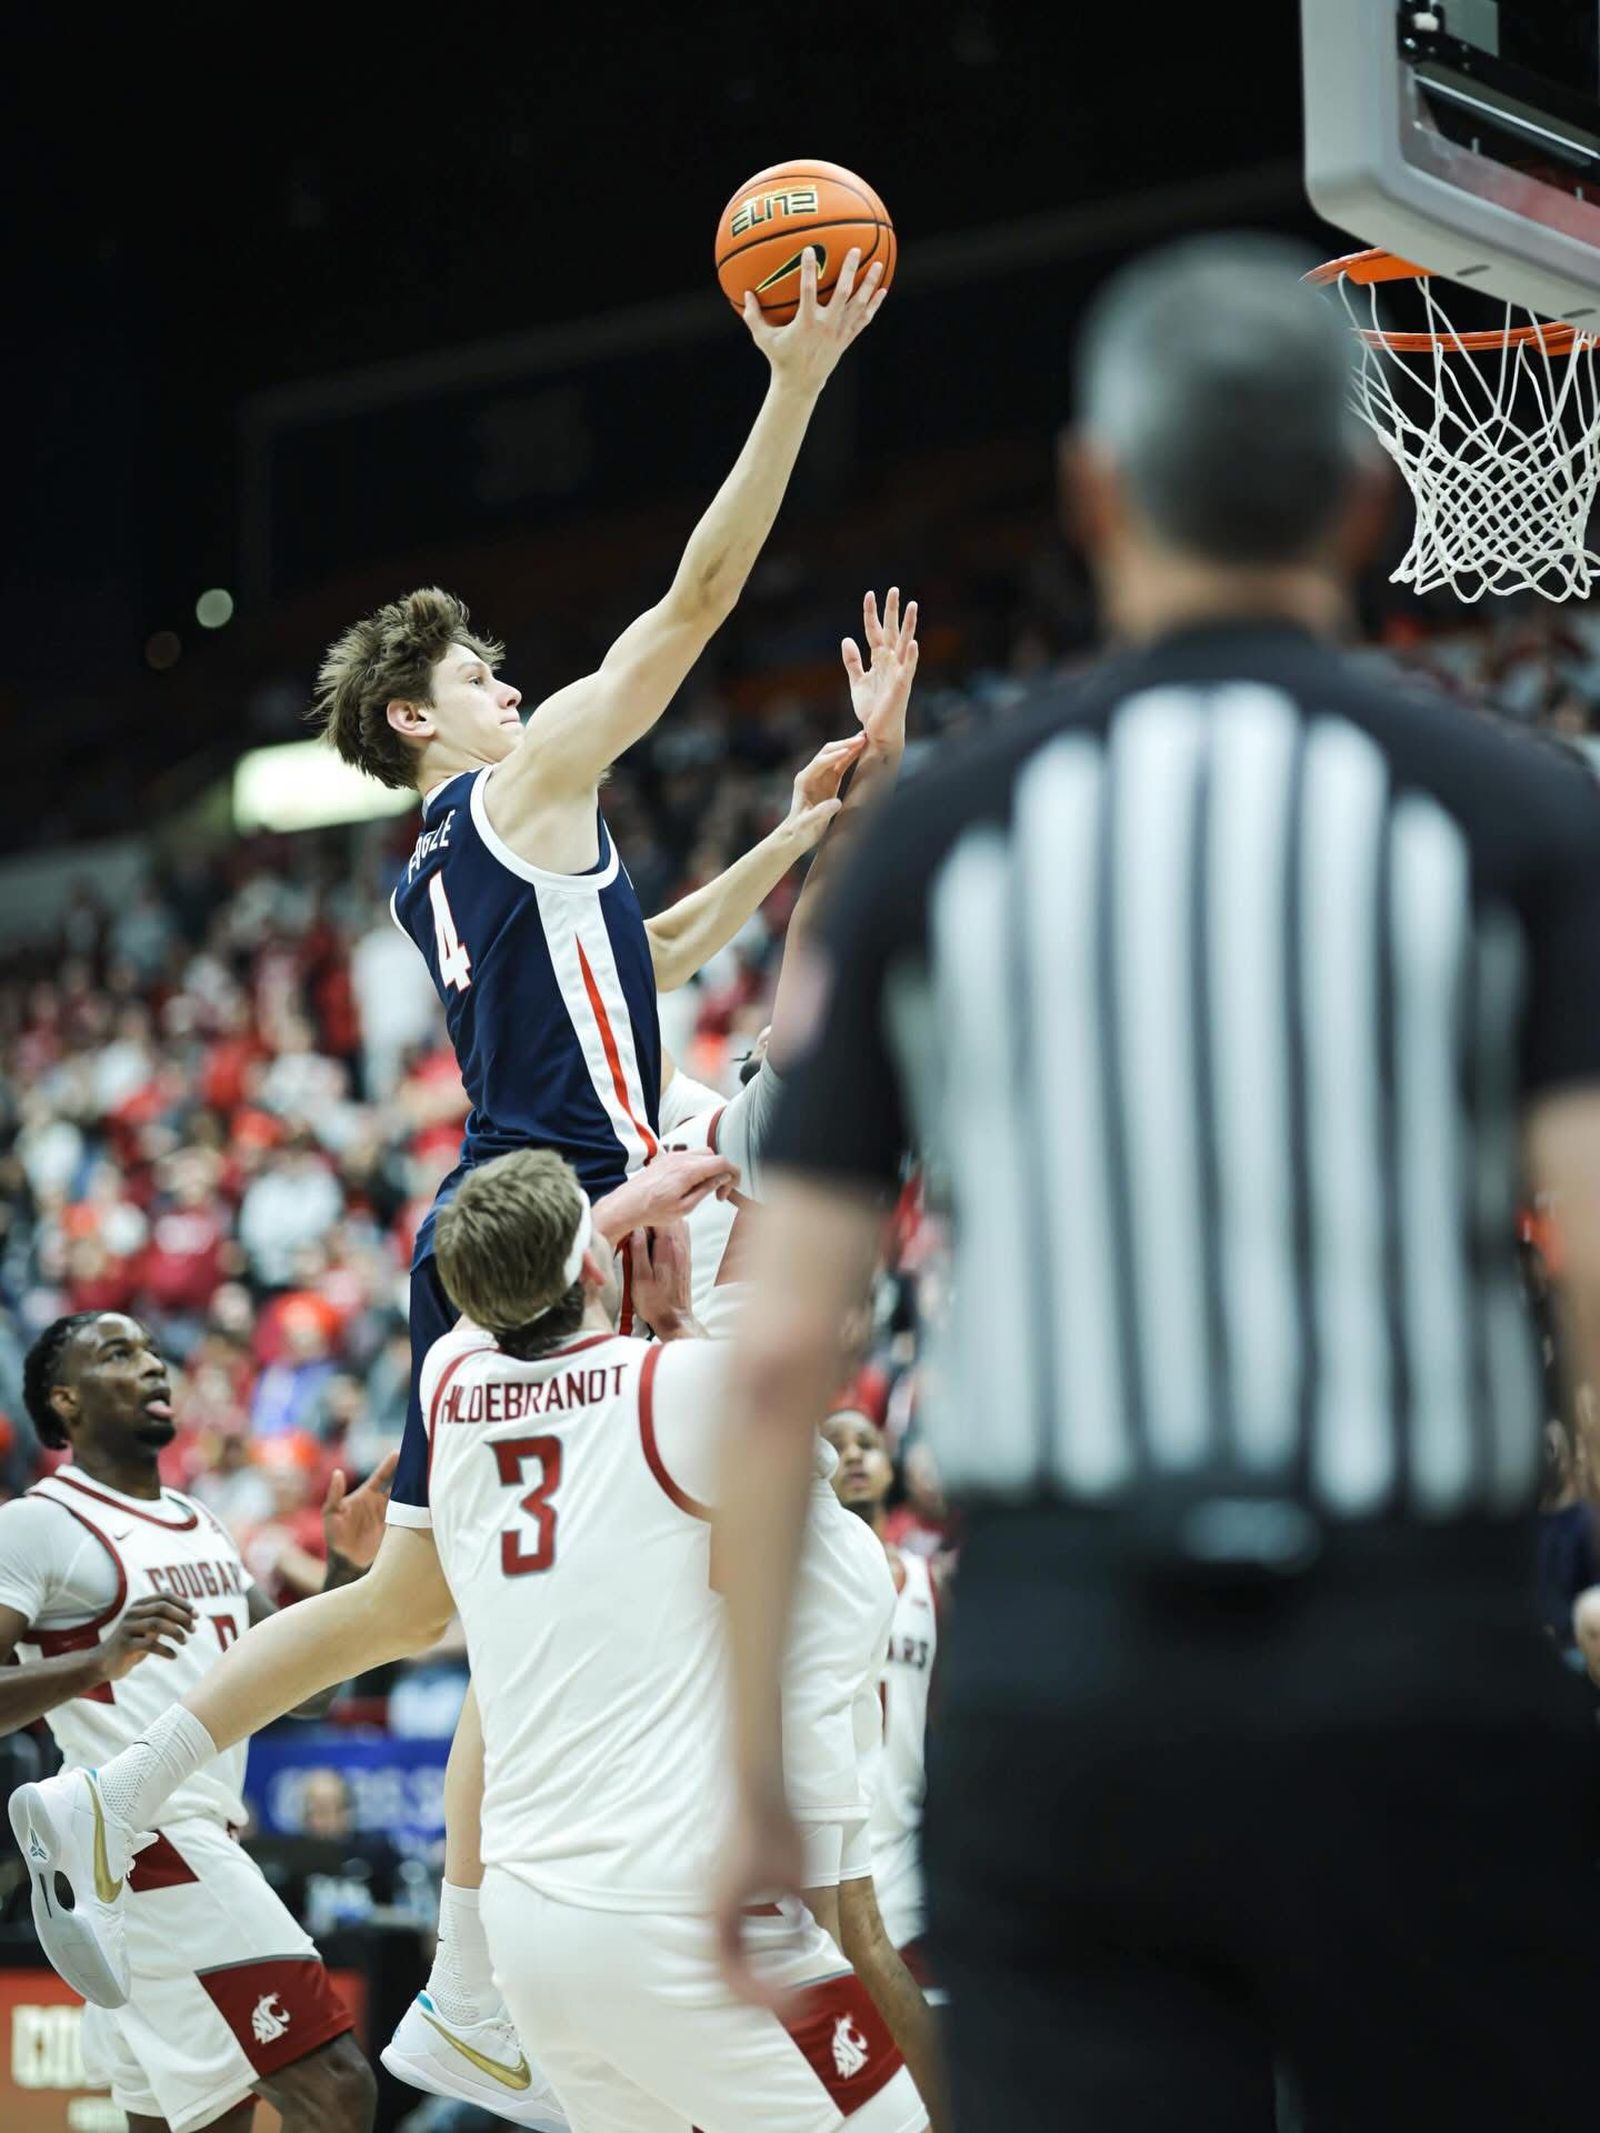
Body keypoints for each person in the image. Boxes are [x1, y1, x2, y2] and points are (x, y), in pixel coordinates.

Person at [713, 234, 1600, 2133]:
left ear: (1093, 491)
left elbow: (787, 1342)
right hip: (1424, 1666)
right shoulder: (1521, 809)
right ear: (1368, 503)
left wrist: (757, 1786)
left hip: (1069, 1680)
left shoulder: (942, 830)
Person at [12, 1155, 927, 2133]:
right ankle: (132, 1801)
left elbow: (479, 1310)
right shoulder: (679, 1385)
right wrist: (679, 1320)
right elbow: (835, 1526)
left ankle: (456, 1974)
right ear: (588, 1264)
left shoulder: (451, 1383)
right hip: (680, 1910)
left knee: (390, 1614)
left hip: (531, 1938)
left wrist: (605, 1231)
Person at [2, 1311, 394, 2133]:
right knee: (337, 2086)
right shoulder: (37, 1522)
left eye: (151, 1348)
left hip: (180, 1846)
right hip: (146, 1842)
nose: (152, 1365)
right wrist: (93, 1663)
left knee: (203, 2123)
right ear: (65, 1400)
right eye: (119, 1354)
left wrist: (343, 1574)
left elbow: (300, 1690)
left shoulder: (202, 1519)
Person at [821, 1409, 940, 1986]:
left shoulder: (931, 1581)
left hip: (908, 1840)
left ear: (891, 1467)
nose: (852, 1455)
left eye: (866, 1443)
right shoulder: (800, 1582)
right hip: (829, 1833)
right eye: (835, 1445)